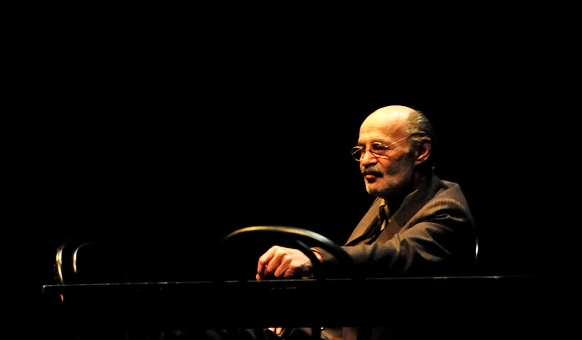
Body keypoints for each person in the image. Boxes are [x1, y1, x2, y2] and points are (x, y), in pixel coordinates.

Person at [176, 104, 478, 340]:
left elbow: (398, 254)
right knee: (190, 328)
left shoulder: (446, 207)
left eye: (380, 147)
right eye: (361, 150)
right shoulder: (385, 202)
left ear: (421, 151)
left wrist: (315, 259)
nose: (365, 160)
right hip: (322, 331)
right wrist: (293, 313)